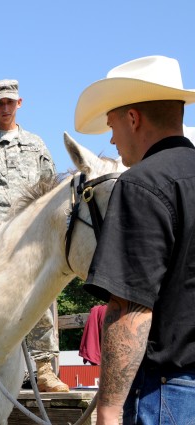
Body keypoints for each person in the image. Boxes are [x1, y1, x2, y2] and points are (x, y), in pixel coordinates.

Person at [75, 55, 195, 424]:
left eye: (111, 124)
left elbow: (131, 311)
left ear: (132, 118)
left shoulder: (141, 185)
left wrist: (109, 410)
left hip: (166, 395)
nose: (111, 138)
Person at [0, 79, 68, 392]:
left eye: (10, 102)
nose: (5, 107)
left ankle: (43, 370)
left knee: (42, 295)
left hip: (34, 234)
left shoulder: (37, 144)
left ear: (20, 103)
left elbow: (53, 190)